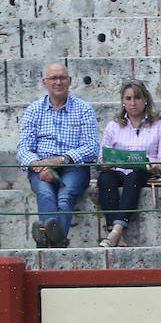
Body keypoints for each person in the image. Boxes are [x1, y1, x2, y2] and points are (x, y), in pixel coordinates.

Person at [17, 62, 99, 248]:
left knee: (65, 196)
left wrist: (61, 160)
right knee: (45, 194)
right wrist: (40, 165)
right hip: (41, 168)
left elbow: (92, 148)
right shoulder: (34, 110)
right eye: (53, 78)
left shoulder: (83, 109)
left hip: (73, 168)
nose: (58, 82)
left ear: (70, 81)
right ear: (45, 82)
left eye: (62, 78)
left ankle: (46, 243)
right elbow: (23, 148)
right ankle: (58, 242)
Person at [96, 80, 161, 248]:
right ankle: (116, 235)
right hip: (117, 170)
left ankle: (116, 230)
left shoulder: (159, 124)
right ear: (123, 101)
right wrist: (105, 163)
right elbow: (102, 157)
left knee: (135, 175)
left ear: (145, 100)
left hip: (144, 170)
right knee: (105, 179)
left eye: (137, 98)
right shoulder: (114, 126)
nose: (133, 103)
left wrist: (154, 166)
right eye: (128, 98)